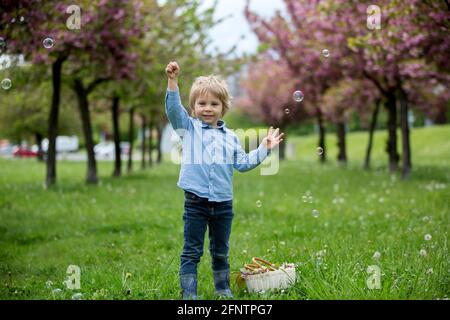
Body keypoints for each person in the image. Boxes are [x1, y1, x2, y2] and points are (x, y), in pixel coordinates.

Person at [165, 61, 284, 299]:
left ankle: (223, 289)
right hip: (195, 202)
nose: (207, 108)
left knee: (221, 251)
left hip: (223, 204)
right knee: (192, 251)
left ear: (223, 107)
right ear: (193, 107)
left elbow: (242, 163)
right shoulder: (188, 128)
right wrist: (172, 80)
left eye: (213, 104)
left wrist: (264, 148)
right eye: (201, 103)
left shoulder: (231, 138)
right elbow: (173, 110)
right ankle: (189, 295)